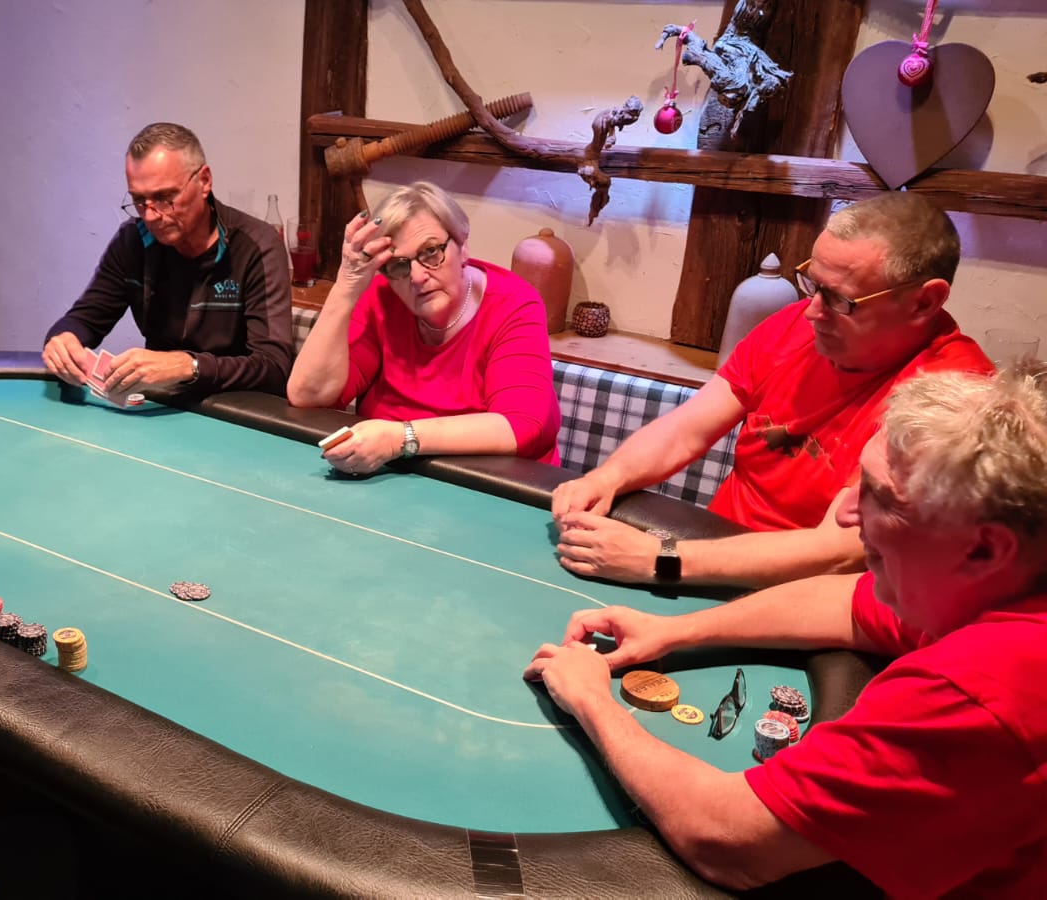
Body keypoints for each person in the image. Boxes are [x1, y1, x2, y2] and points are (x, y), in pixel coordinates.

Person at [525, 363, 1047, 896]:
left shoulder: (980, 690)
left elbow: (728, 841)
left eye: (878, 493)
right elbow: (847, 602)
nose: (844, 514)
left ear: (985, 549)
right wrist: (673, 631)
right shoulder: (988, 585)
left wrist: (592, 700)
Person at [550, 192, 992, 589]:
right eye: (812, 283)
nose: (812, 311)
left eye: (839, 299)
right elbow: (685, 430)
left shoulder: (952, 397)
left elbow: (839, 552)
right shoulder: (799, 325)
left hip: (799, 597)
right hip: (706, 558)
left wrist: (660, 558)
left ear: (924, 302)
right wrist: (607, 477)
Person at [286, 181, 560, 474]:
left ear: (462, 246)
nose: (416, 277)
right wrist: (346, 287)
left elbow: (522, 426)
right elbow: (308, 397)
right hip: (393, 476)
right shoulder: (382, 296)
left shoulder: (514, 304)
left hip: (494, 482)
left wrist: (399, 438)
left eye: (430, 252)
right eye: (398, 264)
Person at [42, 122, 293, 398]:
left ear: (204, 181)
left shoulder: (257, 245)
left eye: (164, 198)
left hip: (238, 407)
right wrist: (63, 339)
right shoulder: (133, 241)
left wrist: (190, 366)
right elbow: (85, 320)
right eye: (139, 200)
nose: (150, 216)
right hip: (161, 404)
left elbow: (274, 369)